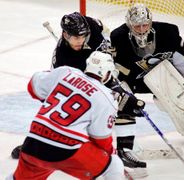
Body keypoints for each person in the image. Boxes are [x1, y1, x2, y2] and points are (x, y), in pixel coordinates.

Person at [109, 3, 184, 170]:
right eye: (136, 26)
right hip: (133, 80)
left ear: (151, 22)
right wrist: (120, 90)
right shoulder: (118, 36)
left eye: (145, 24)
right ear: (129, 24)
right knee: (123, 102)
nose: (141, 29)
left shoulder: (169, 32)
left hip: (162, 78)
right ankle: (126, 145)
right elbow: (114, 67)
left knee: (176, 97)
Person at [7, 51, 125, 180]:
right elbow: (100, 139)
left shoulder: (66, 72)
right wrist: (110, 155)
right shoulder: (107, 98)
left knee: (18, 178)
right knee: (114, 165)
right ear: (108, 73)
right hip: (67, 148)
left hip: (33, 141)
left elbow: (33, 86)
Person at [11, 11, 110, 159]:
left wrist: (108, 46)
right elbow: (55, 94)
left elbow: (104, 28)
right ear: (65, 35)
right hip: (79, 73)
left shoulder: (91, 25)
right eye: (76, 37)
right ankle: (37, 142)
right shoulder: (61, 57)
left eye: (83, 36)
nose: (81, 40)